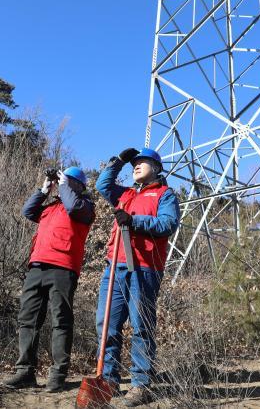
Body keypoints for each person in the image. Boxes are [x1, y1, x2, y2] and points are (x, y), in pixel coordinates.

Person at [95, 147, 180, 407]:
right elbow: (102, 184)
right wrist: (118, 161)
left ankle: (140, 384)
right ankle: (108, 380)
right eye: (134, 163)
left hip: (144, 267)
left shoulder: (165, 195)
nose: (136, 165)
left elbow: (168, 224)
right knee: (106, 323)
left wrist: (134, 221)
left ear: (156, 167)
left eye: (141, 162)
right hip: (115, 266)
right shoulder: (126, 194)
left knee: (141, 326)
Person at [3, 166, 95, 392]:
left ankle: (57, 374)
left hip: (63, 268)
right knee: (28, 318)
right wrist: (43, 189)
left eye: (67, 179)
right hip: (37, 266)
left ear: (78, 185)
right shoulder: (51, 207)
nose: (60, 181)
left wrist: (64, 185)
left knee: (60, 320)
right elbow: (27, 211)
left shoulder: (85, 207)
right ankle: (25, 371)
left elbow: (73, 206)